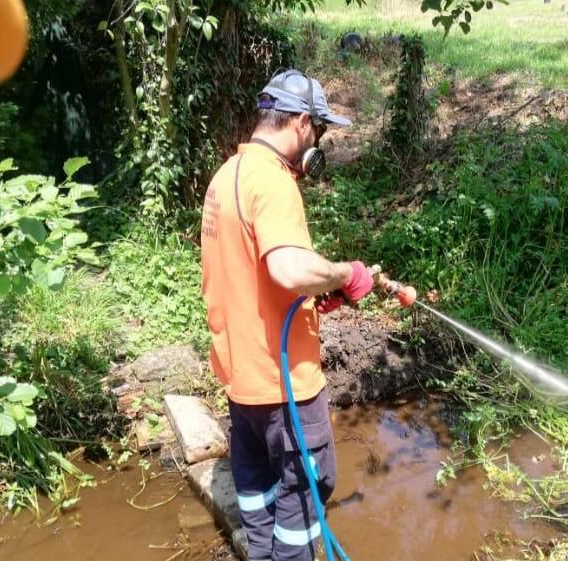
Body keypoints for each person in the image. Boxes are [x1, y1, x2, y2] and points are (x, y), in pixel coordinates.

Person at [200, 69, 374, 561]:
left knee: (259, 510)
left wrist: (320, 298)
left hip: (242, 385)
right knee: (305, 502)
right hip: (285, 390)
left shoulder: (227, 176)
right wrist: (345, 273)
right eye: (319, 130)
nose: (317, 142)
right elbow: (289, 268)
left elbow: (249, 275)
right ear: (301, 122)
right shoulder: (273, 182)